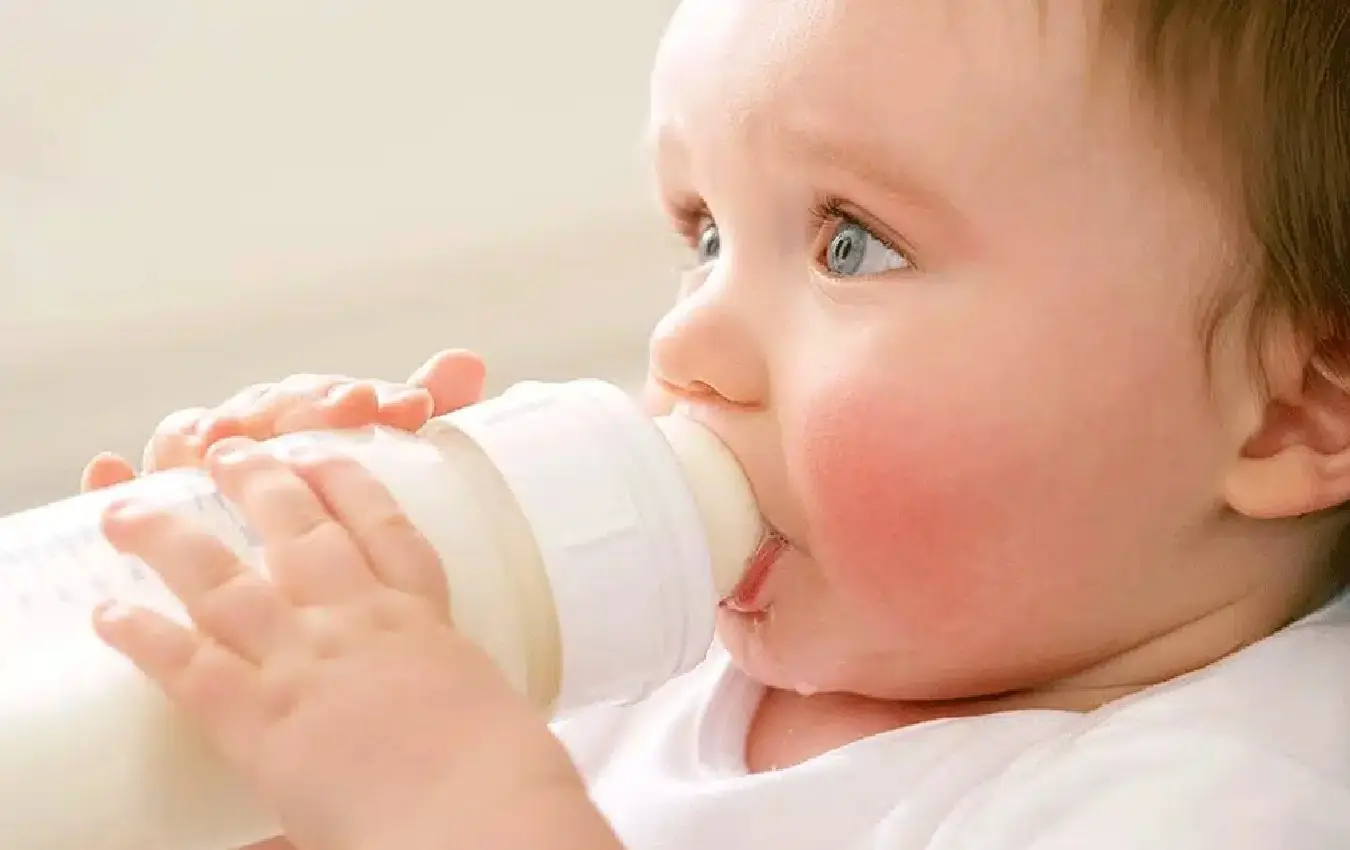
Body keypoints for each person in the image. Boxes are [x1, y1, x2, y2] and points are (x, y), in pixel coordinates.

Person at [78, 2, 1350, 848]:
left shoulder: (1232, 796)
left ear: (1293, 409)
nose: (684, 345)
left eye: (853, 245)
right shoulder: (657, 662)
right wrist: (278, 712)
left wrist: (459, 805)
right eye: (703, 235)